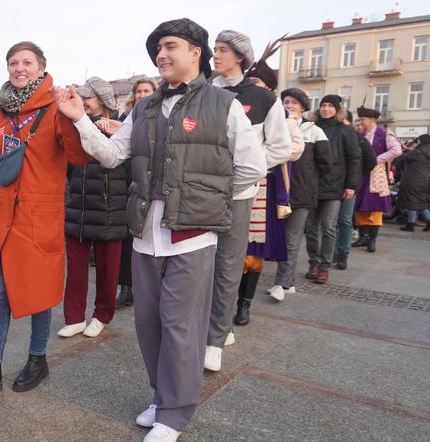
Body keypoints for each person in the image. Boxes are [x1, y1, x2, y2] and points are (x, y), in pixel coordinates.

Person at [53, 19, 266, 442]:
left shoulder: (222, 104)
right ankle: (162, 396)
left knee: (181, 326)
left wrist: (210, 204)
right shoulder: (145, 108)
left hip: (193, 236)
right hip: (146, 235)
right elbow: (114, 155)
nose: (161, 56)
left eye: (170, 46)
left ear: (195, 52)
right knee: (148, 324)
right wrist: (80, 120)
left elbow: (252, 168)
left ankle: (175, 412)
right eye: (157, 49)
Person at [0, 41, 91, 396]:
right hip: (2, 217)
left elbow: (77, 156)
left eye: (26, 62)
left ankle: (38, 358)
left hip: (39, 218)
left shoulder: (55, 106)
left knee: (39, 293)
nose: (19, 68)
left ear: (41, 67)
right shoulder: (1, 113)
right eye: (13, 63)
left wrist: (76, 117)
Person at [206, 29, 291, 371]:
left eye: (223, 50)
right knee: (201, 260)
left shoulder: (264, 98)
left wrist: (247, 168)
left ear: (240, 56)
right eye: (214, 49)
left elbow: (281, 146)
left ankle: (220, 330)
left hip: (242, 190)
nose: (216, 55)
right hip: (203, 189)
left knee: (231, 261)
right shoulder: (205, 91)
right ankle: (208, 324)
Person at [57, 76, 128, 339]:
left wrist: (114, 132)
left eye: (89, 96)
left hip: (110, 208)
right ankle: (74, 317)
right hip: (78, 206)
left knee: (108, 270)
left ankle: (102, 315)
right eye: (82, 96)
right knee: (75, 268)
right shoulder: (74, 124)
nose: (84, 101)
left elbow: (129, 167)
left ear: (104, 100)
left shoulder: (122, 127)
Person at [268, 88, 331, 300]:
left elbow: (326, 163)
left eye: (294, 102)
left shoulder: (314, 131)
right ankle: (288, 282)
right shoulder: (275, 125)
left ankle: (282, 283)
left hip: (302, 193)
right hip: (277, 192)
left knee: (291, 239)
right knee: (277, 238)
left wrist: (312, 183)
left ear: (303, 107)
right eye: (286, 101)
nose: (289, 106)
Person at [305, 95, 360, 284]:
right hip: (311, 184)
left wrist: (351, 185)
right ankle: (313, 262)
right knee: (311, 228)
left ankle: (324, 267)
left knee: (329, 227)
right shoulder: (309, 128)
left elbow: (354, 159)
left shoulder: (345, 131)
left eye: (330, 106)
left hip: (334, 185)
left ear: (337, 110)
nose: (326, 109)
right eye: (323, 105)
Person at [116, 78, 157, 308]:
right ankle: (127, 288)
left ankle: (146, 290)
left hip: (148, 187)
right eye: (139, 91)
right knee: (126, 242)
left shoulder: (160, 117)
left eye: (147, 90)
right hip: (126, 185)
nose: (142, 94)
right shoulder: (127, 119)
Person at [352, 105, 402, 252]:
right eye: (359, 119)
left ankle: (372, 240)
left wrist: (377, 159)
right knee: (359, 206)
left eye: (363, 119)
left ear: (372, 119)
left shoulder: (385, 133)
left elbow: (397, 150)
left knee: (375, 207)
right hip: (362, 174)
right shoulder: (361, 134)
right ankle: (362, 237)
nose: (360, 122)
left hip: (377, 175)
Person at [332, 111, 377, 269]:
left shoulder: (360, 140)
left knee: (344, 220)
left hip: (349, 186)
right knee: (330, 222)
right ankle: (329, 253)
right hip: (330, 185)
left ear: (349, 123)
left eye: (342, 122)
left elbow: (371, 161)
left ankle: (341, 253)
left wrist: (356, 176)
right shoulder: (331, 135)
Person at [395, 134, 430, 232]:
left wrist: (398, 174)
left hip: (412, 180)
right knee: (420, 202)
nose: (417, 142)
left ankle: (410, 225)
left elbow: (400, 159)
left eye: (418, 140)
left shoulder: (417, 152)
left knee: (411, 201)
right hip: (424, 181)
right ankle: (428, 221)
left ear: (422, 141)